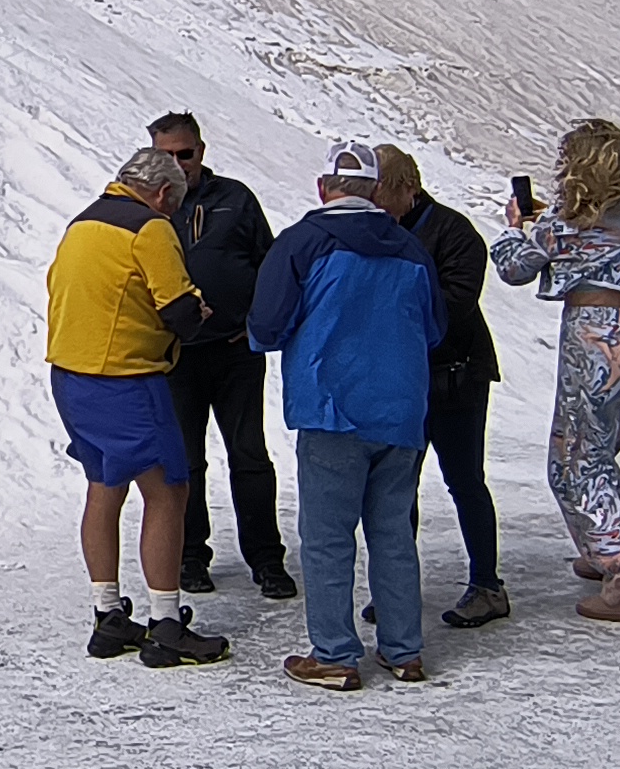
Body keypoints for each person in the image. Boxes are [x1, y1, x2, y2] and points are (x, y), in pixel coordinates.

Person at [252, 146, 447, 690]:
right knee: (392, 530)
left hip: (330, 407)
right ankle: (404, 650)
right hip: (402, 409)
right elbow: (434, 327)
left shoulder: (302, 243)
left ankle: (335, 654)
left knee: (327, 535)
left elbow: (267, 326)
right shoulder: (410, 246)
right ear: (375, 190)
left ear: (323, 187)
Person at [45, 144, 231, 668]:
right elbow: (176, 308)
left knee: (105, 486)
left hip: (72, 375)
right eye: (175, 201)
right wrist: (199, 311)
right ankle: (166, 625)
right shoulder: (149, 228)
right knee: (168, 491)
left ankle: (108, 617)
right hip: (125, 377)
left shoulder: (83, 224)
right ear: (163, 192)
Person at [492, 120, 620, 627]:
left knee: (575, 461)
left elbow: (515, 268)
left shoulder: (555, 229)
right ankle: (603, 546)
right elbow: (596, 231)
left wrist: (513, 228)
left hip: (591, 342)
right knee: (598, 454)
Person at [147, 113, 291, 601]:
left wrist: (256, 323)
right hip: (177, 357)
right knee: (185, 462)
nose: (176, 164)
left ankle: (267, 560)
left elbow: (267, 262)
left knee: (249, 456)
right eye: (164, 155)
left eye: (183, 154)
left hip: (235, 351)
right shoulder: (150, 206)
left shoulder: (235, 198)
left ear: (201, 151)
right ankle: (190, 556)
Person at [373, 146, 509, 628]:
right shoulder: (380, 228)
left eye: (381, 192)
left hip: (456, 374)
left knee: (464, 479)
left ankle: (487, 585)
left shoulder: (454, 232)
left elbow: (455, 304)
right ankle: (397, 584)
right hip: (403, 376)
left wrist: (389, 311)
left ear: (408, 187)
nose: (374, 203)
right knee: (397, 485)